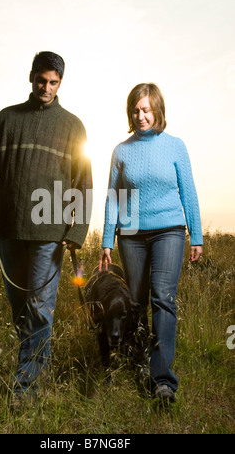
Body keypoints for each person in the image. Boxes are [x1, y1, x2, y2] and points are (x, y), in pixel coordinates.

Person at [0, 51, 92, 400]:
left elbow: (83, 183)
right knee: (21, 310)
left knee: (39, 309)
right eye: (42, 80)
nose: (47, 87)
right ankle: (38, 368)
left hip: (49, 235)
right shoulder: (7, 119)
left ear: (60, 83)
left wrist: (76, 231)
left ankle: (26, 388)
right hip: (8, 229)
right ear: (31, 77)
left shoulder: (73, 126)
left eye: (54, 82)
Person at [99, 83, 203, 403]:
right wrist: (106, 238)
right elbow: (113, 199)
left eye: (146, 109)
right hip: (130, 236)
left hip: (169, 230)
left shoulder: (175, 146)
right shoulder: (122, 150)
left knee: (162, 297)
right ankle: (139, 362)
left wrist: (196, 235)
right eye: (135, 110)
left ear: (157, 110)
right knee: (137, 301)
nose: (140, 115)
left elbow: (188, 191)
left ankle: (162, 381)